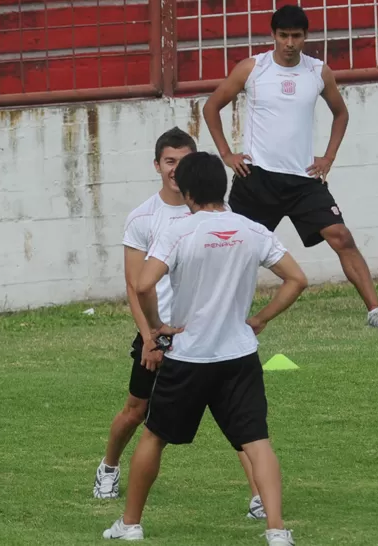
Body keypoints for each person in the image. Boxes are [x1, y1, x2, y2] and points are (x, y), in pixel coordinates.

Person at [101, 152, 307, 545]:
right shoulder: (251, 229)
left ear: (189, 191)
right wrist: (261, 319)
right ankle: (277, 531)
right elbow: (296, 279)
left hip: (189, 356)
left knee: (154, 437)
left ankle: (130, 525)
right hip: (239, 356)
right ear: (223, 187)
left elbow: (143, 285)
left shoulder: (179, 231)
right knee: (257, 441)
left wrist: (157, 327)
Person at [94, 128, 266, 521]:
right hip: (159, 335)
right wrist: (149, 338)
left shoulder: (217, 215)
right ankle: (108, 466)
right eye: (169, 162)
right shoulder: (143, 217)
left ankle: (258, 495)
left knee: (238, 422)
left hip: (210, 337)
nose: (176, 170)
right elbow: (135, 285)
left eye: (183, 162)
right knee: (136, 411)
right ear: (157, 165)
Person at [203, 4, 378, 330]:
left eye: (296, 36)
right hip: (256, 177)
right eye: (283, 36)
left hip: (302, 180)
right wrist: (227, 154)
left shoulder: (318, 72)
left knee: (341, 236)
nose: (290, 43)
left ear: (306, 36)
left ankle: (376, 311)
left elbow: (341, 113)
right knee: (233, 248)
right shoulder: (253, 68)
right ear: (274, 35)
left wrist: (328, 158)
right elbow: (212, 107)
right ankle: (214, 316)